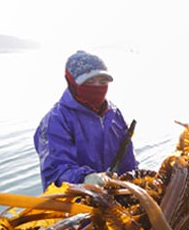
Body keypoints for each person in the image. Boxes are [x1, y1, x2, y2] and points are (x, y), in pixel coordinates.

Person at [34, 50, 138, 190]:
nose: (97, 87)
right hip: (78, 202)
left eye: (102, 81)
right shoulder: (56, 120)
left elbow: (128, 161)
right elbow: (55, 172)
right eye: (89, 81)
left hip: (117, 196)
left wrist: (136, 179)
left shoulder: (113, 113)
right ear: (71, 82)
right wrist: (85, 178)